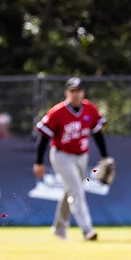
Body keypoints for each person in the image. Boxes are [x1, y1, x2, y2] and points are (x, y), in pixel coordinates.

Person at [33, 77, 111, 241]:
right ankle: (87, 230)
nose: (75, 94)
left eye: (78, 91)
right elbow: (44, 137)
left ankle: (59, 229)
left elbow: (97, 133)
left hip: (82, 155)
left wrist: (105, 156)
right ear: (66, 93)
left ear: (83, 92)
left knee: (70, 190)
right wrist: (39, 162)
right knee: (77, 190)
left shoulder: (89, 109)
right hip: (62, 155)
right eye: (72, 91)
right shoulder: (57, 112)